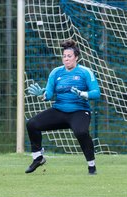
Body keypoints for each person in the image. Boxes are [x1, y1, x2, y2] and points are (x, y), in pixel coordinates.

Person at [26, 39, 101, 175]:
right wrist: (42, 94)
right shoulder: (56, 72)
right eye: (64, 56)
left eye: (69, 56)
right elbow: (49, 94)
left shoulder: (85, 72)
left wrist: (83, 94)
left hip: (79, 111)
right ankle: (38, 157)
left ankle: (91, 165)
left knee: (81, 132)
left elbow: (96, 93)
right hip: (59, 110)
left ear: (76, 58)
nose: (66, 59)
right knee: (32, 124)